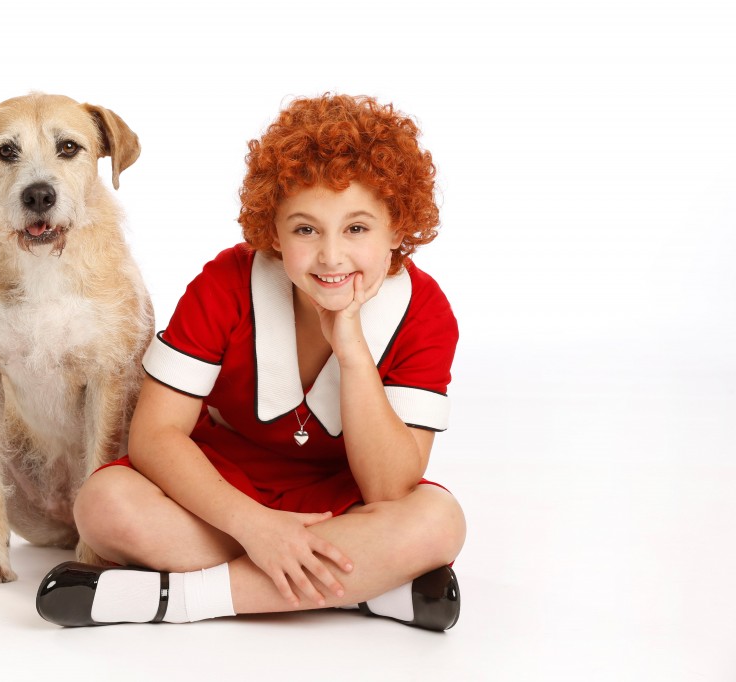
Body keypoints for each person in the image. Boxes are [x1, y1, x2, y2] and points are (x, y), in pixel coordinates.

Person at [36, 93, 466, 631]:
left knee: (437, 522)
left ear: (397, 230)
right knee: (104, 504)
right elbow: (154, 437)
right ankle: (366, 593)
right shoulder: (226, 281)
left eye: (357, 229)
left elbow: (389, 488)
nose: (331, 256)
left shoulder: (425, 311)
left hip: (344, 503)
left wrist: (352, 350)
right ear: (274, 231)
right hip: (219, 494)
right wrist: (256, 528)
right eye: (306, 229)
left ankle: (171, 600)